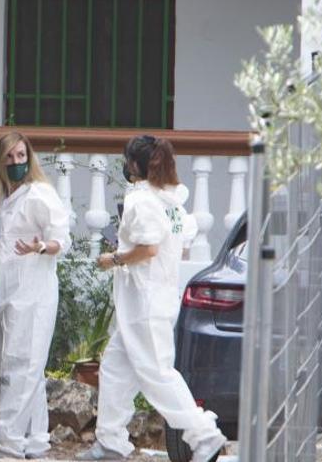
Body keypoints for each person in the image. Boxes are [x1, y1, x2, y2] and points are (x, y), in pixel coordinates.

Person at [76, 135, 226, 462]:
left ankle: (204, 436)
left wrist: (114, 258)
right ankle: (111, 442)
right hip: (150, 301)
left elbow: (149, 248)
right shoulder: (170, 201)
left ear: (133, 165)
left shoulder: (141, 200)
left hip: (143, 304)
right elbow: (179, 241)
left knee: (158, 375)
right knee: (115, 369)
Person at [0, 131, 71, 460]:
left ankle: (6, 443)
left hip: (32, 295)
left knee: (21, 368)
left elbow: (60, 238)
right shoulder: (2, 203)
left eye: (21, 156)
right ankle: (36, 441)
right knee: (29, 370)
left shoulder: (39, 194)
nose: (16, 163)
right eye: (10, 157)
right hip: (5, 297)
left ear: (30, 158)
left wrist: (40, 246)